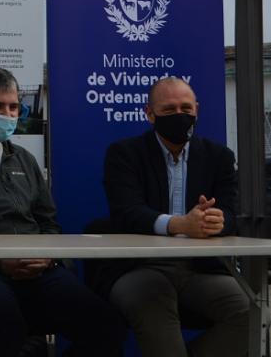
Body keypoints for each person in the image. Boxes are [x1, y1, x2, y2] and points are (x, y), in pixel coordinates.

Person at [0, 66, 125, 357]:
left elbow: (49, 223)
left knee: (105, 323)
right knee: (5, 323)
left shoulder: (24, 160)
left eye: (14, 107)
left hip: (39, 271)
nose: (7, 114)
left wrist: (46, 255)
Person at [102, 77, 249, 356]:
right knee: (154, 313)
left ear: (197, 109)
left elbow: (233, 214)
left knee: (254, 315)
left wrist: (217, 221)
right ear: (149, 114)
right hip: (140, 267)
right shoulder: (124, 154)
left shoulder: (219, 156)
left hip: (202, 269)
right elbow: (126, 213)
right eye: (169, 110)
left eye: (186, 108)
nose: (180, 116)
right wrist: (178, 224)